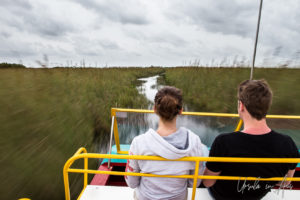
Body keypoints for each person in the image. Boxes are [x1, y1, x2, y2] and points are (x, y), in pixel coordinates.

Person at [203, 79, 299, 200]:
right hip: (257, 195)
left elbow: (207, 182)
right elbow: (285, 182)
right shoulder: (287, 144)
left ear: (241, 106)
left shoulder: (224, 142)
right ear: (267, 106)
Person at [125, 86, 208, 200]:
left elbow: (132, 183)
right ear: (180, 110)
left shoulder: (138, 143)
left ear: (155, 109)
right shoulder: (195, 142)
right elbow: (194, 183)